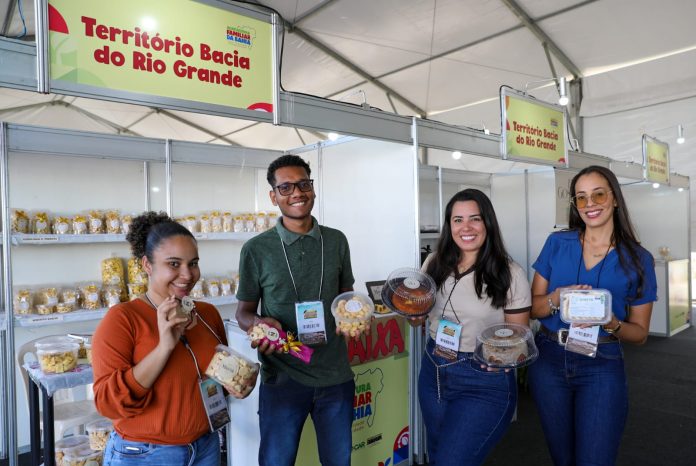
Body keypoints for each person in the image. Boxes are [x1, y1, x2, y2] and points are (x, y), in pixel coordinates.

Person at [93, 212, 250, 466]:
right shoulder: (123, 319)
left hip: (205, 447)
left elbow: (211, 379)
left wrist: (235, 383)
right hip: (145, 454)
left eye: (193, 263)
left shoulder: (207, 313)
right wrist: (164, 347)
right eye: (174, 264)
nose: (188, 275)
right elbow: (108, 404)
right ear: (147, 265)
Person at [528, 165, 657, 465]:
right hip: (549, 359)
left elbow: (639, 333)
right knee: (563, 458)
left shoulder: (639, 259)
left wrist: (611, 323)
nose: (590, 205)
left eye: (598, 194)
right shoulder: (557, 243)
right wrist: (556, 299)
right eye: (581, 198)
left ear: (614, 198)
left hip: (601, 362)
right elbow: (533, 308)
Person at [235, 154, 356, 466]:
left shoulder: (336, 240)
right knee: (277, 461)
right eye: (286, 187)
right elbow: (243, 312)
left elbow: (346, 295)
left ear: (312, 188)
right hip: (283, 378)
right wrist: (259, 324)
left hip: (335, 375)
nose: (297, 193)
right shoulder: (256, 250)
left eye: (303, 184)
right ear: (273, 196)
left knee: (338, 461)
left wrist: (353, 314)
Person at [410, 188, 531, 466]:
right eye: (457, 220)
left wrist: (504, 358)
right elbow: (421, 314)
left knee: (453, 460)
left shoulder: (509, 272)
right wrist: (414, 315)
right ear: (448, 225)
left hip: (482, 379)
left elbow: (518, 336)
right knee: (438, 454)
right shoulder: (434, 262)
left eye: (474, 219)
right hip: (434, 369)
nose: (466, 227)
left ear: (487, 222)